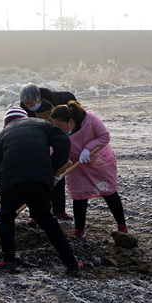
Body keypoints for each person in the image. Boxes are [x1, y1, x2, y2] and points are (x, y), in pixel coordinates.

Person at [0, 106, 81, 274]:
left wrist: (5, 196)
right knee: (46, 219)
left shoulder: (0, 136)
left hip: (10, 180)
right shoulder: (41, 123)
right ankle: (72, 265)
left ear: (6, 123)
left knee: (6, 216)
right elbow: (63, 140)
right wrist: (53, 168)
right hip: (39, 177)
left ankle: (9, 261)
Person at [49, 100, 129, 238]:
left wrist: (88, 149)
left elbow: (105, 136)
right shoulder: (58, 133)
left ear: (71, 121)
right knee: (79, 196)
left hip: (97, 160)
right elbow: (53, 150)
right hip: (76, 165)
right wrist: (55, 171)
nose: (57, 128)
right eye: (55, 125)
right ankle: (79, 231)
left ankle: (122, 226)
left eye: (60, 125)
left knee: (109, 192)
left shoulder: (90, 119)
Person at [20, 83, 78, 220]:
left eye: (31, 103)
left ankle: (59, 210)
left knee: (58, 172)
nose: (29, 106)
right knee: (40, 175)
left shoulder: (53, 98)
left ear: (39, 98)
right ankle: (38, 212)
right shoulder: (23, 109)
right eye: (26, 104)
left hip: (59, 138)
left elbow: (71, 99)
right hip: (41, 139)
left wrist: (72, 118)